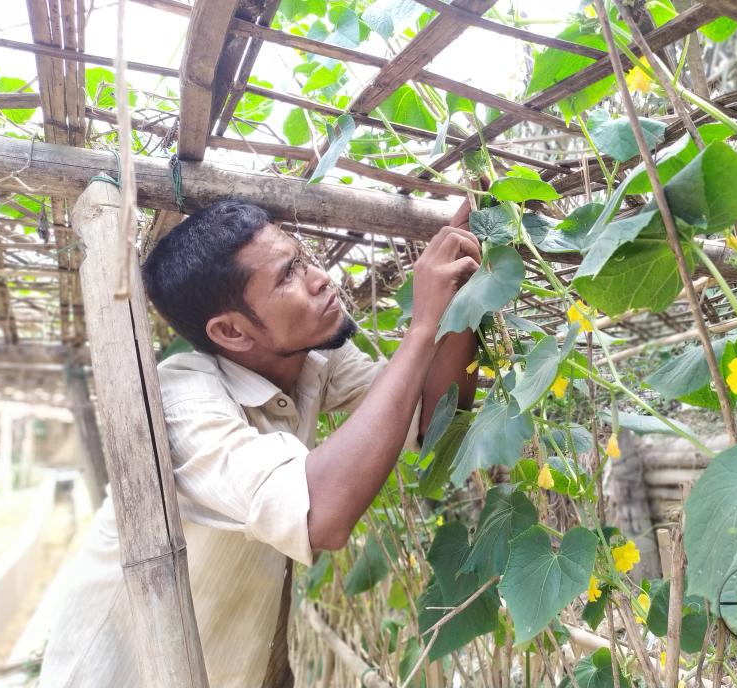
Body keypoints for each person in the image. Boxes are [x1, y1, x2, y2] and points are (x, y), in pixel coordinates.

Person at [37, 197, 481, 688]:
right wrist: (422, 328)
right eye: (288, 275)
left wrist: (461, 299)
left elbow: (433, 417)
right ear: (231, 331)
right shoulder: (182, 401)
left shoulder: (313, 360)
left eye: (304, 258)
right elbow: (320, 516)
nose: (321, 278)